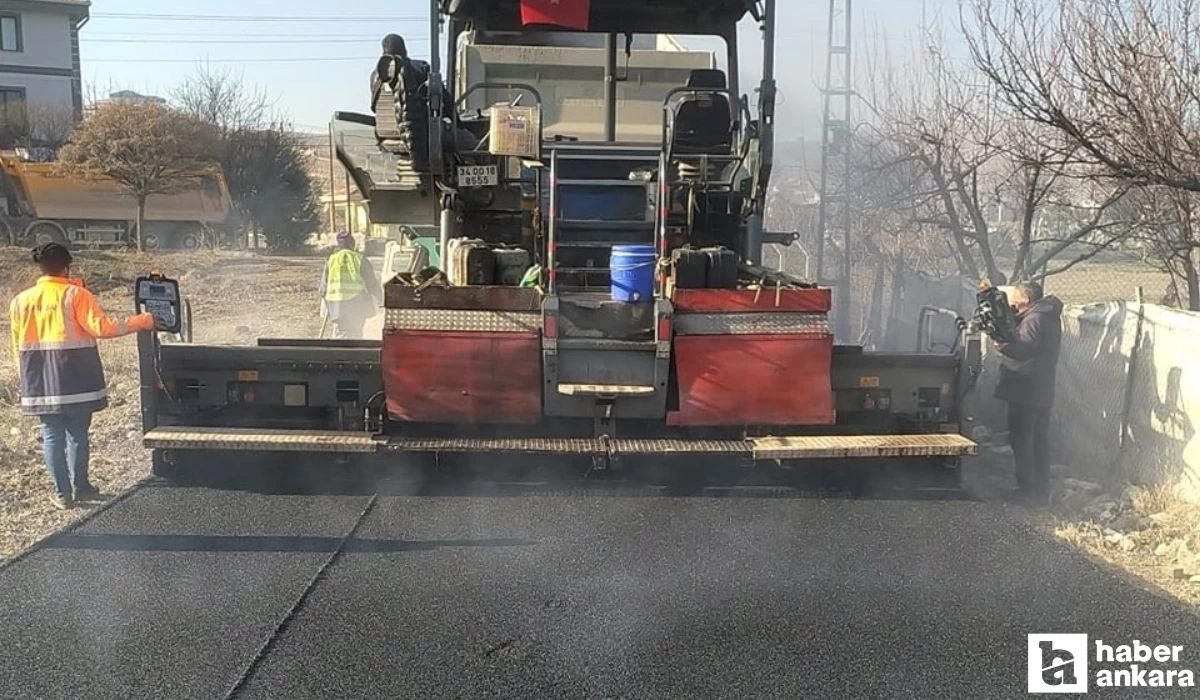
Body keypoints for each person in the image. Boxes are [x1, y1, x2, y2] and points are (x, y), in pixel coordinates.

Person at [9, 243, 160, 509]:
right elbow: (101, 328)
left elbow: (16, 344)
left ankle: (61, 494)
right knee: (77, 433)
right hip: (76, 373)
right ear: (67, 266)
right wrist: (143, 321)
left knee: (51, 434)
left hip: (39, 376)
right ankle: (82, 486)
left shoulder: (20, 301)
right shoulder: (76, 295)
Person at [993, 281, 1064, 505]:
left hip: (1026, 389)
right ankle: (1039, 490)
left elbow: (1026, 350)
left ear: (1026, 298)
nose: (1011, 300)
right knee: (1038, 440)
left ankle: (1027, 492)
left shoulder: (1034, 319)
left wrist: (1001, 344)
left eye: (1015, 296)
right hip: (1041, 389)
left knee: (1023, 440)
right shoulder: (1046, 315)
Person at [319, 232, 381, 339]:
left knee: (341, 333)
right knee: (356, 333)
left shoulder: (331, 260)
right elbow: (372, 284)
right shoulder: (360, 259)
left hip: (337, 306)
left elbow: (323, 289)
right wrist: (381, 299)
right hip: (357, 304)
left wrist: (326, 305)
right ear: (353, 244)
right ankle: (353, 353)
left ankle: (340, 353)